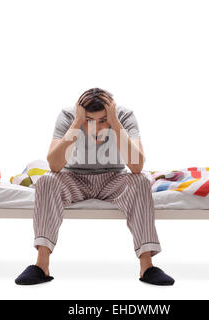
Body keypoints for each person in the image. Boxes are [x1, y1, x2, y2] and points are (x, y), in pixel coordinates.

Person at [15, 88, 174, 286]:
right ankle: (41, 265)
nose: (97, 128)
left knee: (141, 181)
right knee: (47, 180)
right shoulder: (68, 116)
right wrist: (76, 122)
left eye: (103, 120)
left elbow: (136, 166)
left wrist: (115, 123)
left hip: (114, 179)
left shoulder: (124, 116)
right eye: (90, 120)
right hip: (74, 178)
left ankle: (147, 267)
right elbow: (55, 165)